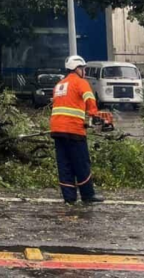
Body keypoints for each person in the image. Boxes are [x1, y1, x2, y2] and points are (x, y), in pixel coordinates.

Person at [51, 55, 104, 205]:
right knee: (81, 163)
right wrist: (94, 115)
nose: (85, 72)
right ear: (77, 69)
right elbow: (89, 99)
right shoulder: (81, 82)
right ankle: (88, 195)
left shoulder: (59, 85)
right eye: (83, 68)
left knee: (64, 164)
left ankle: (69, 198)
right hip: (73, 129)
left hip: (57, 130)